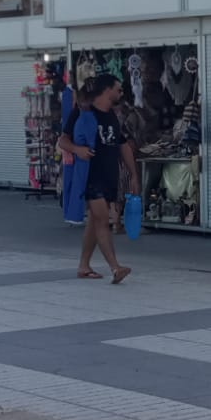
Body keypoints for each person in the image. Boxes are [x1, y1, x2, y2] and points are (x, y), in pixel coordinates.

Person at [65, 74, 134, 284]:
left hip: (108, 175)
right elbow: (63, 140)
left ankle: (84, 266)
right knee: (104, 221)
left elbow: (123, 145)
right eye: (118, 89)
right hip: (90, 176)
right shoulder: (82, 112)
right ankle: (115, 267)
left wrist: (133, 174)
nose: (121, 93)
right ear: (107, 90)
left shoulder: (112, 115)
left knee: (94, 222)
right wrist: (78, 149)